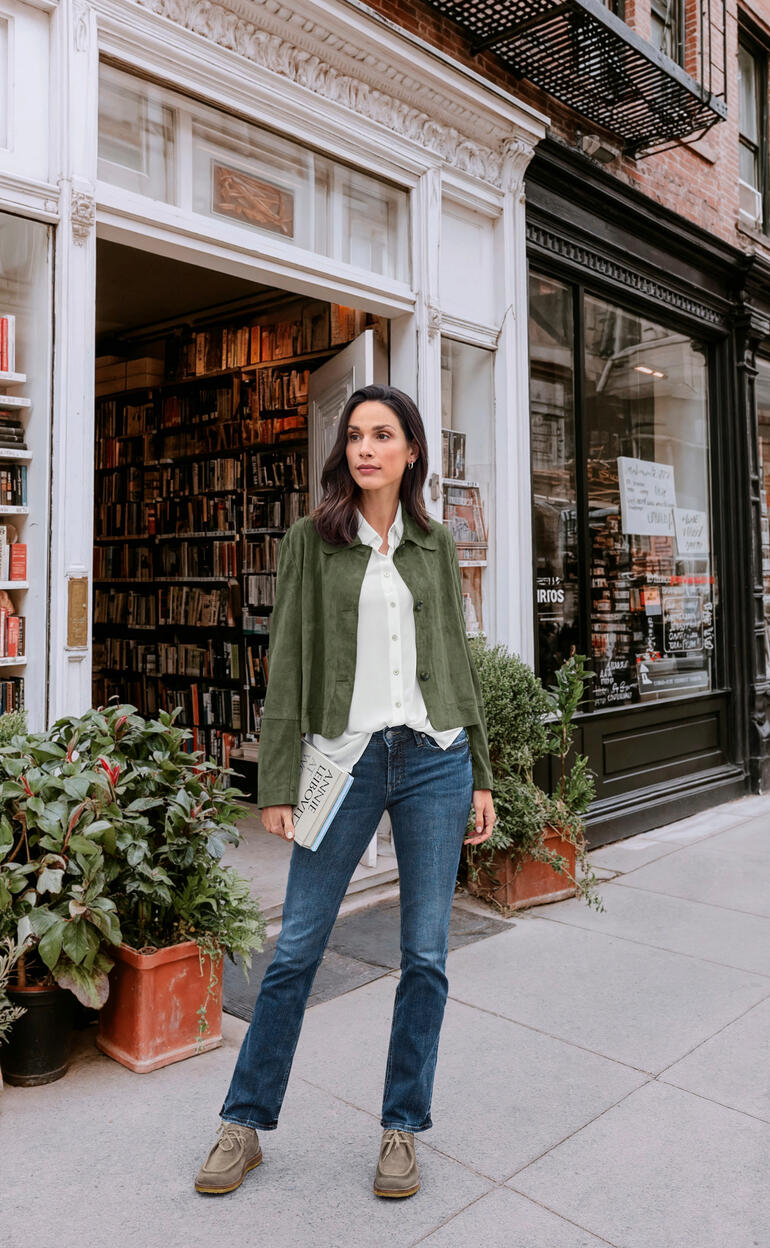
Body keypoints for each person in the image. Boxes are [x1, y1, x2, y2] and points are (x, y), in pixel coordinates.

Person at [195, 384, 496, 1199]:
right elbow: (287, 660)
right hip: (346, 759)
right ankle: (244, 1122)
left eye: (383, 435)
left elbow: (459, 664)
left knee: (426, 957)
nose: (366, 448)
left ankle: (402, 1129)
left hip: (436, 759)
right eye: (356, 435)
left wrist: (484, 779)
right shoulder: (311, 540)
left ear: (411, 452)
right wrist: (278, 780)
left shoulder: (433, 544)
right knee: (295, 949)